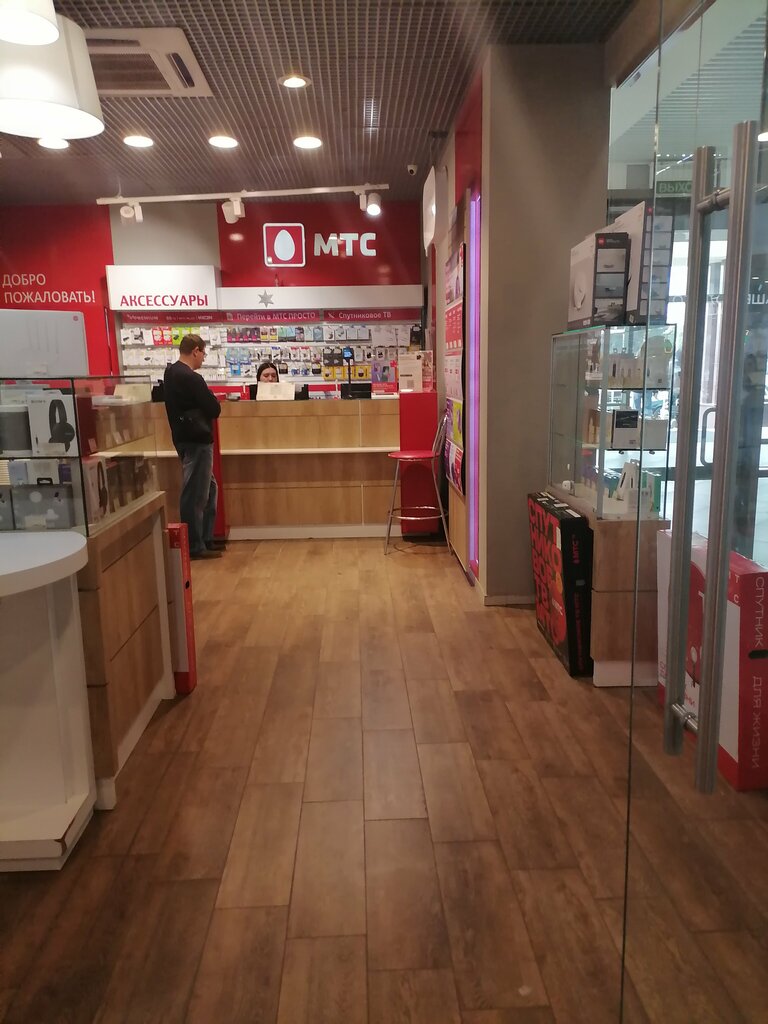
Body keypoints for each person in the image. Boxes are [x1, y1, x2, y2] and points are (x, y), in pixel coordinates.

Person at [164, 334, 222, 560]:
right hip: (198, 440)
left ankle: (205, 539)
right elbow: (213, 409)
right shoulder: (191, 378)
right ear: (196, 350)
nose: (203, 358)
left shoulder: (171, 373)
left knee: (208, 488)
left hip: (182, 438)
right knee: (196, 494)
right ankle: (196, 545)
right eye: (203, 353)